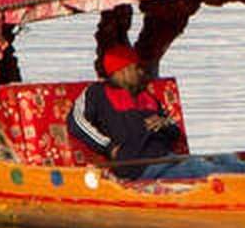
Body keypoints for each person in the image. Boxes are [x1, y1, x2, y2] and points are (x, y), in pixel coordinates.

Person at [69, 45, 191, 175]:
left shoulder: (147, 96)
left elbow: (175, 132)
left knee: (212, 165)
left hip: (168, 159)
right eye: (137, 68)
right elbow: (76, 122)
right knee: (204, 173)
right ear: (122, 70)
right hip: (138, 165)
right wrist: (108, 147)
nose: (142, 72)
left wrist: (164, 123)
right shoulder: (97, 93)